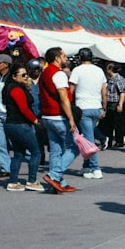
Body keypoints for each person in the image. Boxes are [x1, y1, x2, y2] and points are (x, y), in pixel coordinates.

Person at [37, 47, 79, 194]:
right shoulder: (58, 74)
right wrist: (71, 119)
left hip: (47, 115)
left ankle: (59, 182)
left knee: (56, 150)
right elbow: (64, 98)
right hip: (58, 116)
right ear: (56, 58)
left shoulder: (44, 73)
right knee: (75, 146)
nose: (66, 58)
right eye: (63, 56)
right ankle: (54, 175)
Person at [1, 63, 44, 192]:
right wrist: (35, 120)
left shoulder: (15, 88)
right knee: (36, 152)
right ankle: (31, 180)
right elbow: (24, 109)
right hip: (19, 124)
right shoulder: (15, 89)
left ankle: (13, 181)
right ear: (14, 76)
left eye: (27, 74)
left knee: (18, 153)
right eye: (23, 75)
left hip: (12, 124)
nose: (26, 77)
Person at [69, 48, 106, 179]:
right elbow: (104, 90)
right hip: (96, 106)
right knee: (86, 137)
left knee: (89, 139)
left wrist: (69, 106)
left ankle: (95, 168)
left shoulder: (77, 70)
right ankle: (87, 166)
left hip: (83, 107)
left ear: (80, 57)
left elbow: (71, 90)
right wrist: (104, 107)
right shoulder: (99, 70)